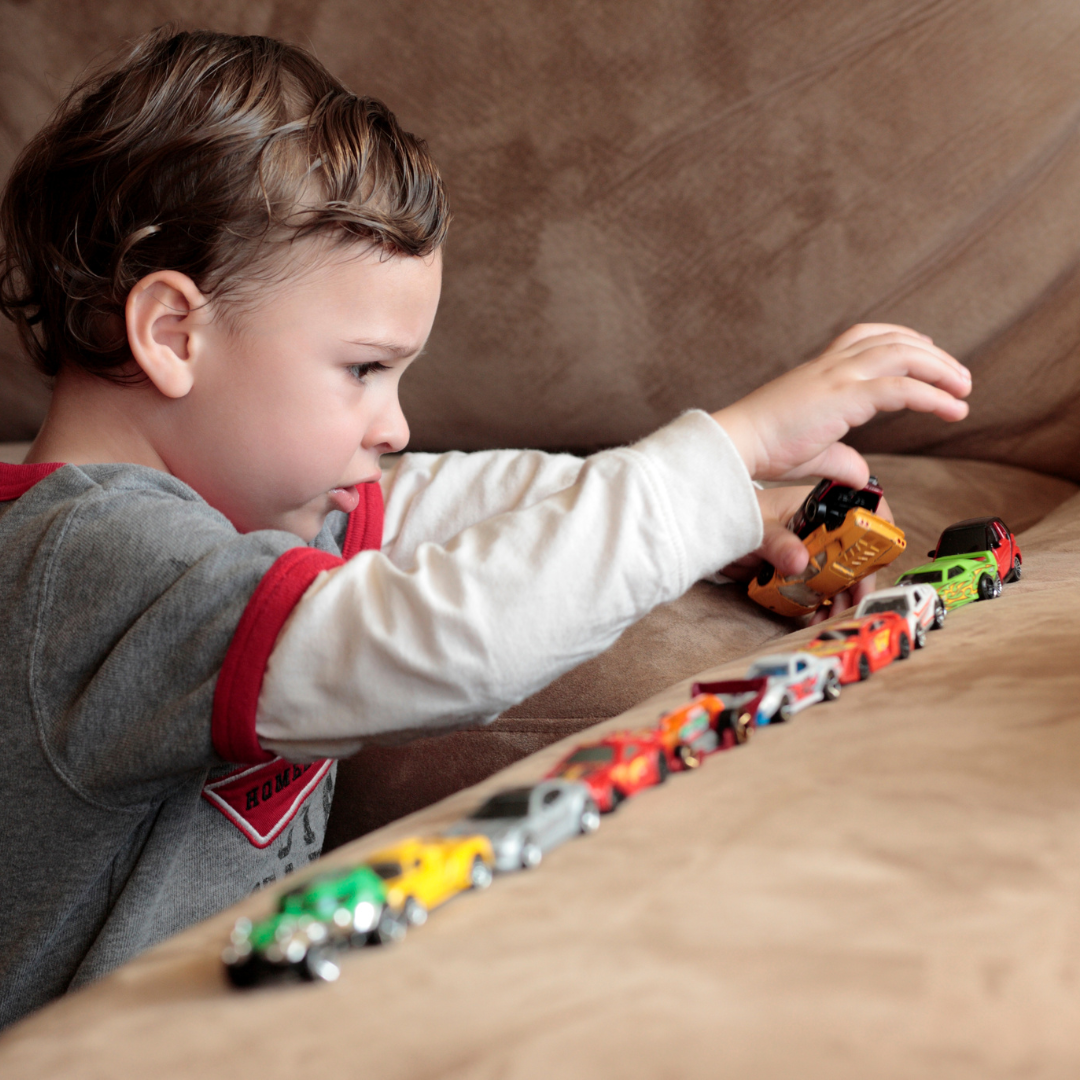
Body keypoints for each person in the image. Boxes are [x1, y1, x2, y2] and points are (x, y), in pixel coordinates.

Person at [0, 27, 970, 1026]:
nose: (396, 422)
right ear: (173, 335)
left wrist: (739, 515)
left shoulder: (254, 512)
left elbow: (437, 500)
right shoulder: (88, 564)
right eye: (364, 370)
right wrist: (725, 451)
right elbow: (435, 643)